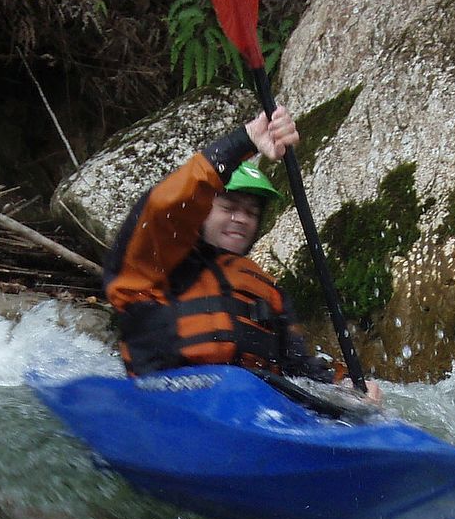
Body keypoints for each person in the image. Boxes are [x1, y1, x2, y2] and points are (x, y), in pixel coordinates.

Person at [103, 105, 382, 402]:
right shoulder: (159, 262)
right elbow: (164, 206)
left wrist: (346, 388)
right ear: (202, 211)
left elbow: (299, 368)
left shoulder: (267, 289)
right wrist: (245, 141)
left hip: (249, 410)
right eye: (229, 208)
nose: (241, 219)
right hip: (168, 403)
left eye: (250, 212)